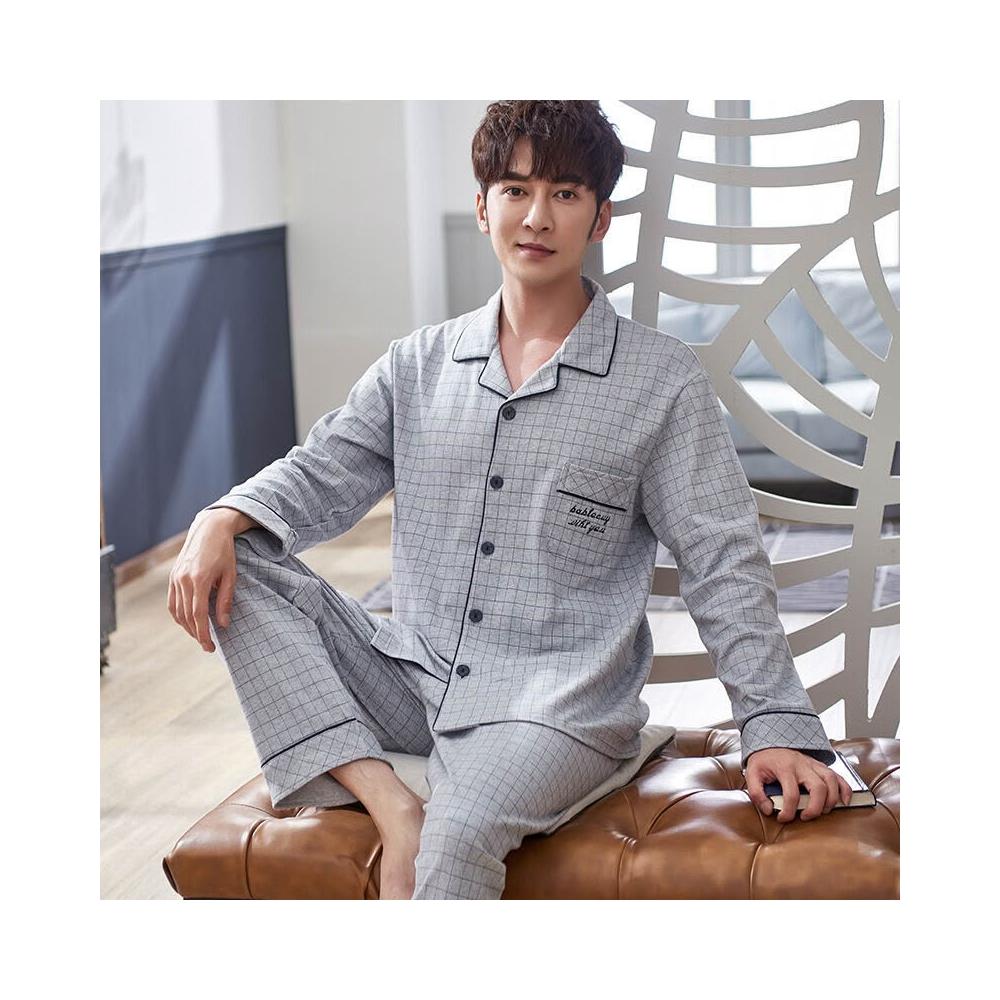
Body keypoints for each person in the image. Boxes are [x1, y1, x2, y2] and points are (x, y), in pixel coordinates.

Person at [168, 100, 852, 900]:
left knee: (457, 837)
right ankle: (390, 800)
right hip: (411, 679)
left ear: (600, 218)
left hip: (555, 707)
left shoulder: (662, 382)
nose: (536, 217)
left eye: (565, 193)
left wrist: (776, 726)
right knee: (245, 546)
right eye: (516, 189)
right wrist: (217, 517)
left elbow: (722, 560)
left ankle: (421, 821)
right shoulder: (417, 365)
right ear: (483, 205)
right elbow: (319, 473)